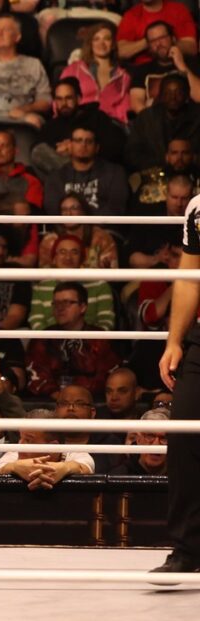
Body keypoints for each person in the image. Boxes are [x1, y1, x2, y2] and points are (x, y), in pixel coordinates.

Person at [154, 191, 200, 573]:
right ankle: (188, 549)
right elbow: (189, 277)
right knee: (184, 432)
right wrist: (174, 340)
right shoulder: (199, 206)